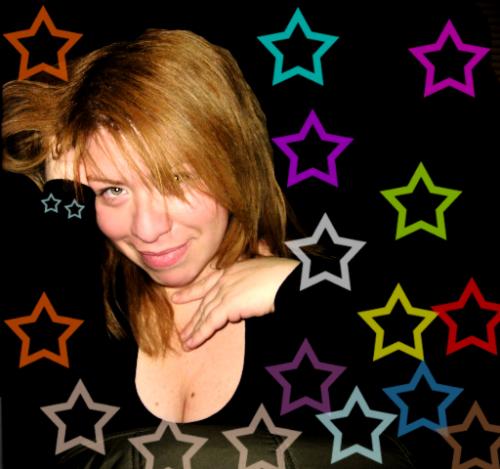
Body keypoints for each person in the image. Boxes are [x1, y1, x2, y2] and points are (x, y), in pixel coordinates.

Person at [2, 29, 416, 468]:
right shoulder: (71, 319)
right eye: (113, 190)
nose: (147, 229)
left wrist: (300, 289)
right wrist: (59, 190)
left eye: (176, 180)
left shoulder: (340, 308)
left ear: (233, 162)